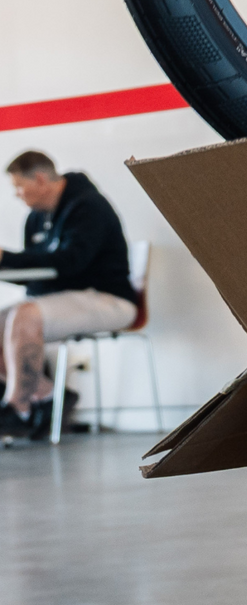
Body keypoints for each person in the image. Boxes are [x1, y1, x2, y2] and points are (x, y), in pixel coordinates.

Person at [2, 151, 137, 441]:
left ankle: (18, 408)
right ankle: (50, 395)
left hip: (108, 298)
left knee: (24, 315)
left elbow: (71, 263)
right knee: (9, 317)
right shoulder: (35, 220)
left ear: (39, 178)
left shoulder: (89, 206)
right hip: (64, 299)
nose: (16, 194)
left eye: (18, 186)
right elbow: (37, 272)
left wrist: (6, 258)